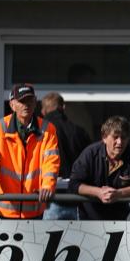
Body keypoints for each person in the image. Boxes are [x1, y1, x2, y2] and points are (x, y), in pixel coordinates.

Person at [0, 83, 59, 219]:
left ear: (35, 103)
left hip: (35, 207)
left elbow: (51, 162)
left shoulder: (48, 129)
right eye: (21, 101)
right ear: (12, 105)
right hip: (6, 208)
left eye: (30, 101)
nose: (26, 105)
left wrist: (47, 185)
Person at [69, 116, 130, 220]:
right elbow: (74, 184)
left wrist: (118, 194)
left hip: (119, 220)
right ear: (104, 137)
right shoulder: (90, 154)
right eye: (115, 137)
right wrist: (98, 192)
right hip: (88, 221)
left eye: (124, 137)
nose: (120, 142)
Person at [39, 92, 91, 220]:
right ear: (63, 107)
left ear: (43, 111)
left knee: (47, 239)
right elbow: (90, 162)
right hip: (76, 197)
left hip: (50, 197)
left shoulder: (39, 132)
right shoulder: (79, 131)